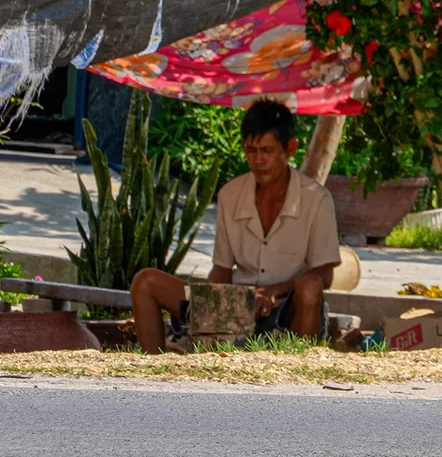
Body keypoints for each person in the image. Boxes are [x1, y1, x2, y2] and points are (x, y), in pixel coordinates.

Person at [130, 100, 341, 354]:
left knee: (310, 287)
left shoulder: (316, 199)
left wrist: (272, 293)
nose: (258, 160)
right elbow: (221, 270)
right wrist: (212, 302)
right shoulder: (230, 194)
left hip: (288, 308)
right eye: (251, 150)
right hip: (237, 306)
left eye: (267, 150)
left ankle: (300, 370)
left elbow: (324, 277)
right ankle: (152, 368)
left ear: (291, 148)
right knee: (145, 281)